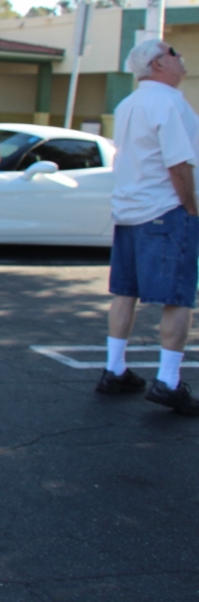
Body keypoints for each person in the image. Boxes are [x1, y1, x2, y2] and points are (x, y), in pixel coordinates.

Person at [96, 39, 199, 414]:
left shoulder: (128, 104)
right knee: (178, 296)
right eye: (173, 52)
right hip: (166, 209)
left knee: (125, 291)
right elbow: (178, 163)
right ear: (158, 63)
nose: (179, 56)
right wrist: (190, 206)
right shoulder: (170, 102)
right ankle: (168, 381)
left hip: (128, 210)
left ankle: (114, 368)